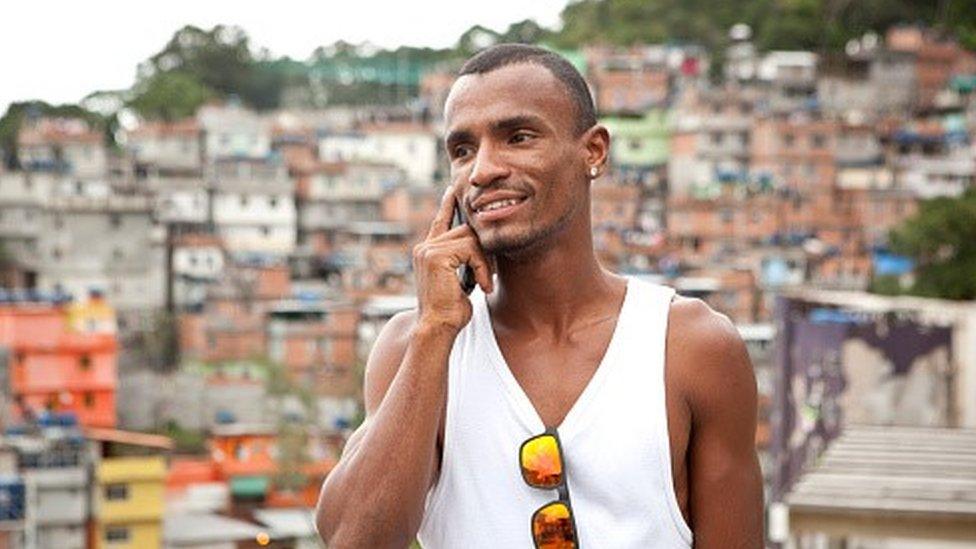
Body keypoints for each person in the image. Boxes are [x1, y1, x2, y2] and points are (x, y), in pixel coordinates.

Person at [316, 44, 763, 548]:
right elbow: (353, 541)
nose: (482, 170)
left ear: (592, 151)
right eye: (462, 150)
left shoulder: (690, 347)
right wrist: (434, 330)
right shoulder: (413, 348)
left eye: (518, 137)